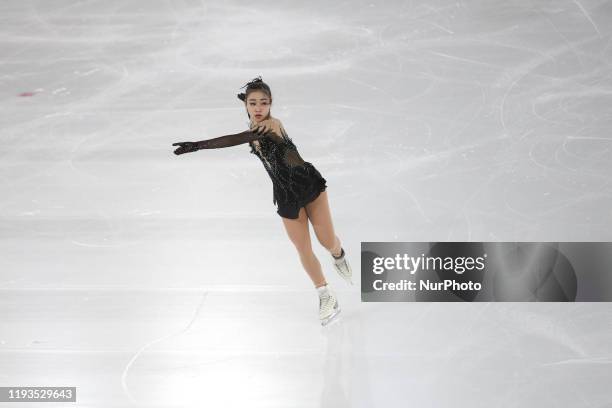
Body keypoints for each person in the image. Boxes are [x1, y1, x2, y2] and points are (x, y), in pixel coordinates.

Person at [172, 76, 351, 326]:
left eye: (263, 103)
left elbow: (237, 138)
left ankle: (338, 253)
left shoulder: (271, 126)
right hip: (286, 196)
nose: (258, 108)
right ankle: (325, 294)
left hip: (308, 186)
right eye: (253, 103)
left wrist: (199, 145)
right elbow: (250, 116)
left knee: (327, 241)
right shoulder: (254, 118)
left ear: (271, 105)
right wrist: (246, 100)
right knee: (303, 249)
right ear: (245, 104)